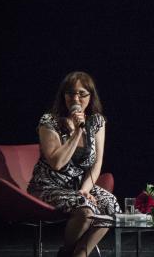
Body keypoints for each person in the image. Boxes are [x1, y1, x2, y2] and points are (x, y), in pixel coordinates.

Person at [27, 71, 119, 257]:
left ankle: (78, 254)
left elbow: (97, 161)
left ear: (90, 96)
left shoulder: (96, 121)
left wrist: (85, 189)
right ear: (63, 96)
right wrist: (77, 132)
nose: (75, 98)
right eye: (70, 93)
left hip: (77, 186)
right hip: (49, 185)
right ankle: (69, 253)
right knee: (85, 211)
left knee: (112, 205)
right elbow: (57, 163)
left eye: (81, 93)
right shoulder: (49, 121)